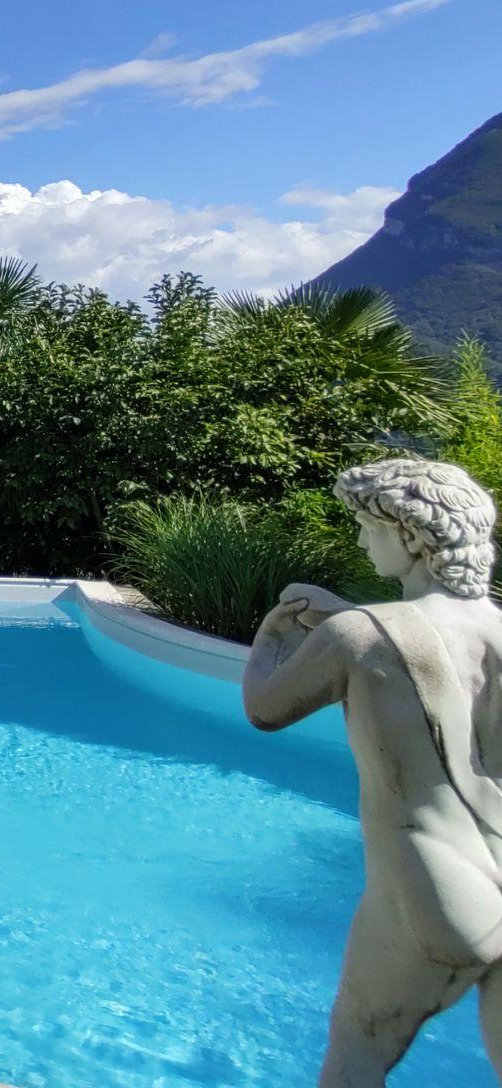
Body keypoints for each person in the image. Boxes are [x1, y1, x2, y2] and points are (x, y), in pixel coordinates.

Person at [243, 457, 502, 1086]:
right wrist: (343, 619)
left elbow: (266, 709)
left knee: (356, 1050)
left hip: (435, 881)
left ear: (411, 537)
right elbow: (416, 646)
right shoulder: (492, 624)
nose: (361, 539)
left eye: (369, 526)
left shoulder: (359, 635)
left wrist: (272, 638)